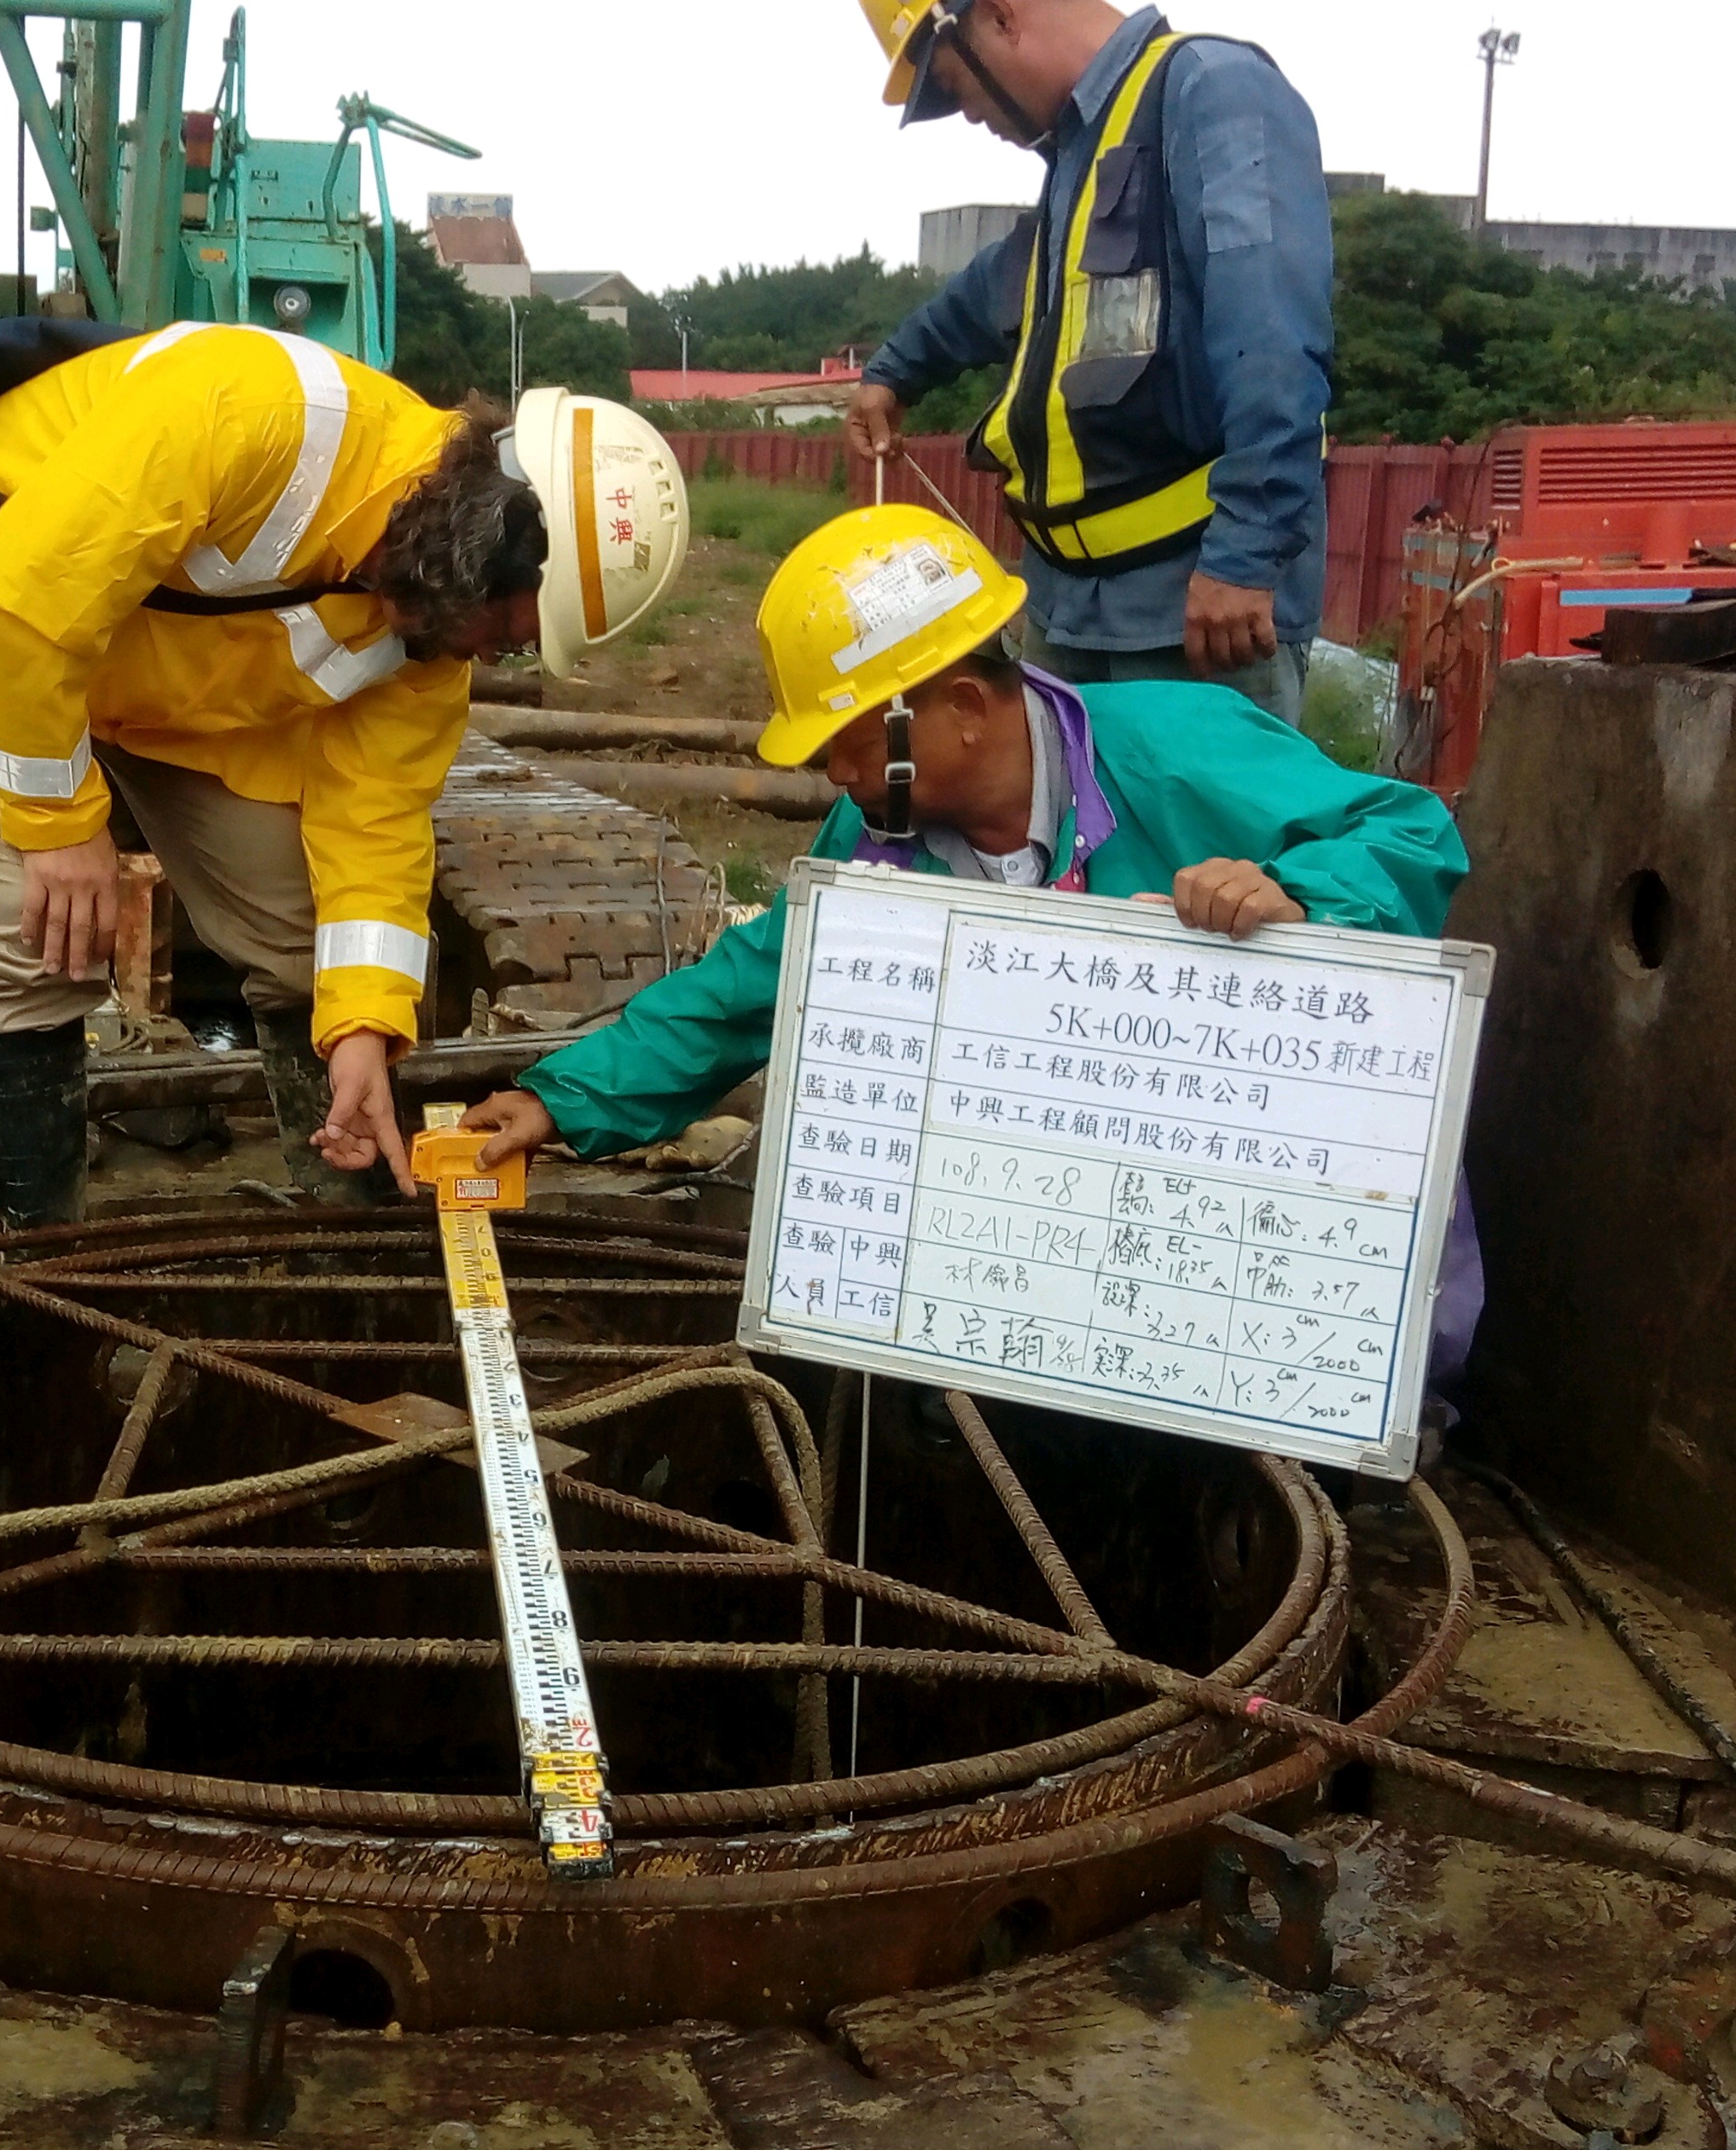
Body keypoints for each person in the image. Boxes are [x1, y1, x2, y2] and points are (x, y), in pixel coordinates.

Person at [462, 505, 1483, 1379]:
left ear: (954, 710)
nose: (829, 774)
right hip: (1066, 1236)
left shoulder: (1176, 745)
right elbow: (760, 982)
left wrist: (1292, 896)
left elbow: (1412, 832)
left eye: (845, 742)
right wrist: (561, 1101)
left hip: (1258, 1213)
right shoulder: (878, 838)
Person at [0, 325, 688, 1226]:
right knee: (37, 935)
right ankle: (41, 1265)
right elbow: (25, 600)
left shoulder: (430, 631)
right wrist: (56, 822)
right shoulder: (249, 416)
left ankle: (345, 1239)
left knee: (308, 938)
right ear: (491, 549)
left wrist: (363, 1024)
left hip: (153, 684)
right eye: (512, 631)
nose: (499, 655)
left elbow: (374, 820)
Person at [843, 0, 1335, 723]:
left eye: (958, 87)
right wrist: (893, 371)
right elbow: (1001, 287)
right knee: (1069, 837)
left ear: (1003, 18)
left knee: (1203, 839)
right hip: (1069, 615)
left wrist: (1246, 555)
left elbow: (1272, 334)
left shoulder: (1211, 90)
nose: (973, 116)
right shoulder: (1083, 153)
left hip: (1196, 619)